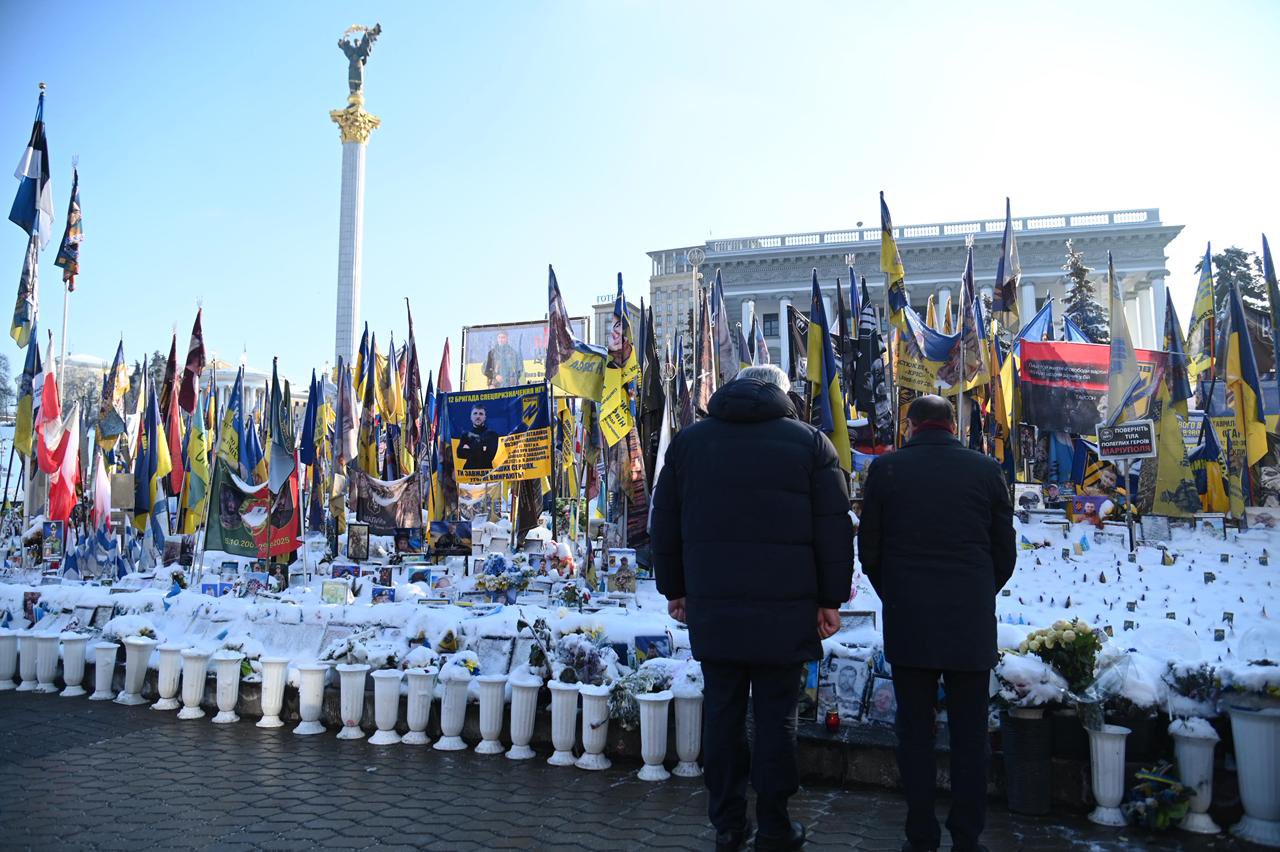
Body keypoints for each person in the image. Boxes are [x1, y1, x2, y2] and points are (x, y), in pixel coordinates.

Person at [651, 364, 853, 851]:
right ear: (782, 394)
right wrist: (830, 599)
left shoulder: (689, 444)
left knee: (722, 714)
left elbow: (664, 524)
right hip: (786, 612)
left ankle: (727, 824)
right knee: (777, 718)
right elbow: (834, 529)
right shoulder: (810, 444)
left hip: (715, 608)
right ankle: (776, 827)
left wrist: (674, 590)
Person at [857, 395, 1015, 852]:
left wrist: (897, 594)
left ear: (910, 426)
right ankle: (967, 836)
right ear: (951, 425)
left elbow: (870, 551)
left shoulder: (887, 471)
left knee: (914, 734)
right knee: (970, 735)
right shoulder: (986, 470)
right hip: (969, 622)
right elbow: (1004, 553)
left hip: (910, 620)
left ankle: (920, 835)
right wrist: (977, 592)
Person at [456, 404, 499, 470]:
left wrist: (469, 449)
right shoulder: (465, 435)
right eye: (475, 413)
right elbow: (459, 454)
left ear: (485, 417)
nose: (478, 416)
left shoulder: (492, 434)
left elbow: (489, 457)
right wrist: (482, 448)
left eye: (481, 414)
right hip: (468, 472)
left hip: (486, 473)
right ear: (471, 417)